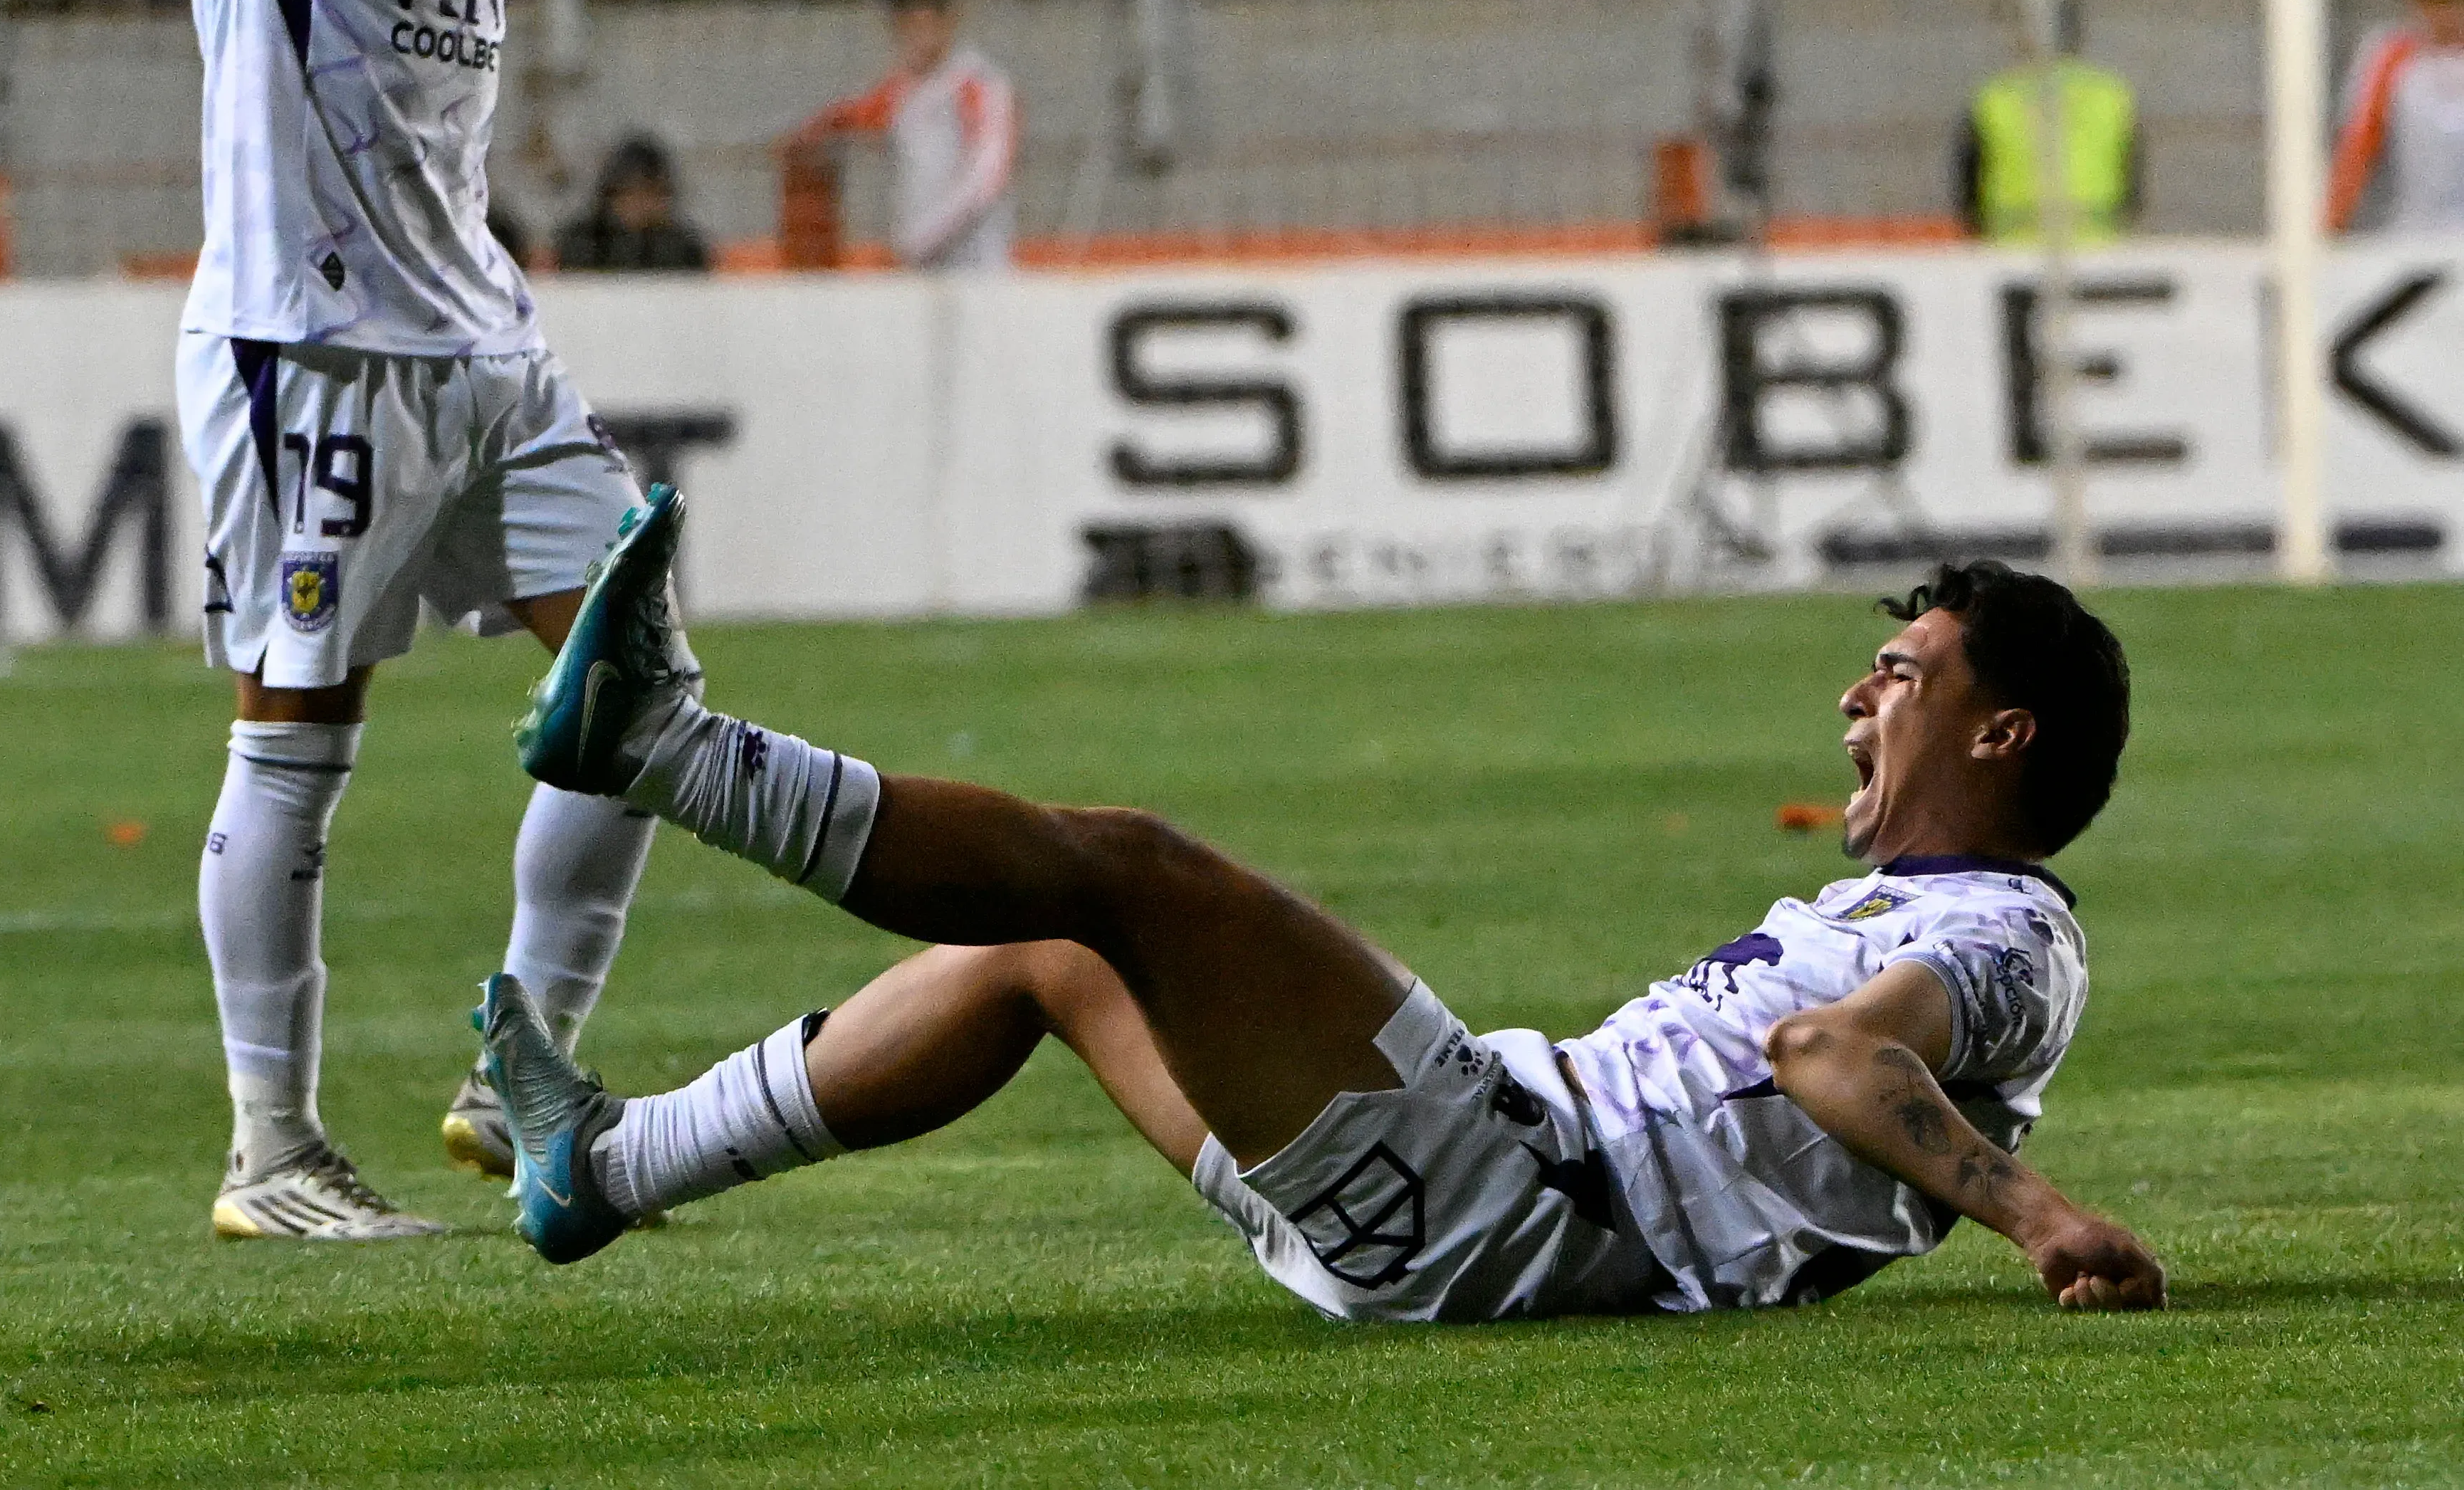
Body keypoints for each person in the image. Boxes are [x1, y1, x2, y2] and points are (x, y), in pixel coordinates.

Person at [479, 501, 2166, 1320]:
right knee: (1048, 953)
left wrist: (2032, 1218)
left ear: (1997, 729)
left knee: (1125, 866)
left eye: (1897, 670)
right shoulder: (1918, 901)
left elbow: (1823, 1052)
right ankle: (604, 1167)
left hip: (1506, 1190)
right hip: (1453, 1201)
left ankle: (667, 749)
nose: (1852, 697)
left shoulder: (2005, 932)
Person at [171, 0, 965, 1241]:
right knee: (295, 736)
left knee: (637, 683)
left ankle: (517, 1071)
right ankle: (269, 1150)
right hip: (315, 342)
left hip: (486, 340)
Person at [783, 0, 1015, 270]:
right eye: (906, 25)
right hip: (920, 265)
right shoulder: (904, 91)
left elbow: (986, 177)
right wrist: (808, 133)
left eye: (925, 23)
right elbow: (853, 114)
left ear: (948, 21)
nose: (916, 36)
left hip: (974, 266)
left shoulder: (977, 84)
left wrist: (925, 237)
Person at [1957, 0, 2142, 245]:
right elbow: (2134, 184)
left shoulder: (1994, 97)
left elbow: (1968, 186)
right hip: (2097, 244)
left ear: (2023, 37)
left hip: (2010, 247)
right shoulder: (2112, 94)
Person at [2329, 0, 2464, 234]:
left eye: (2456, 4)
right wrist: (2334, 220)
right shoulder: (2392, 56)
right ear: (2419, 2)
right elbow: (2359, 143)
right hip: (2410, 231)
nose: (2449, 16)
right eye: (2438, 5)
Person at [555, 135, 715, 272]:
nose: (641, 204)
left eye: (652, 193)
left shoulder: (684, 248)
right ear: (611, 195)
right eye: (631, 193)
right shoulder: (583, 242)